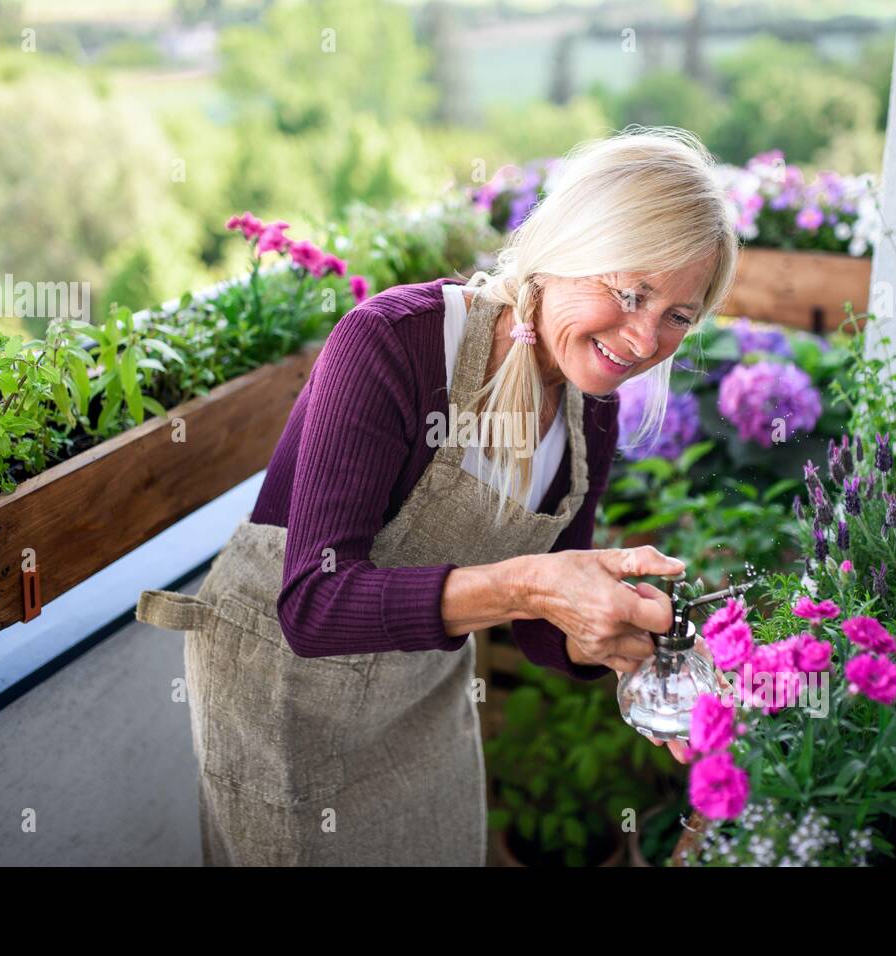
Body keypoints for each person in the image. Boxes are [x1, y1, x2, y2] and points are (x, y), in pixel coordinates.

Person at [136, 125, 740, 866]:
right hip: (283, 697)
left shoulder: (593, 405)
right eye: (630, 291)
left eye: (679, 315)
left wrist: (623, 648)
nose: (647, 340)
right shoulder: (395, 342)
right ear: (564, 251)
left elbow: (538, 631)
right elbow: (314, 608)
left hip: (419, 694)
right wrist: (531, 585)